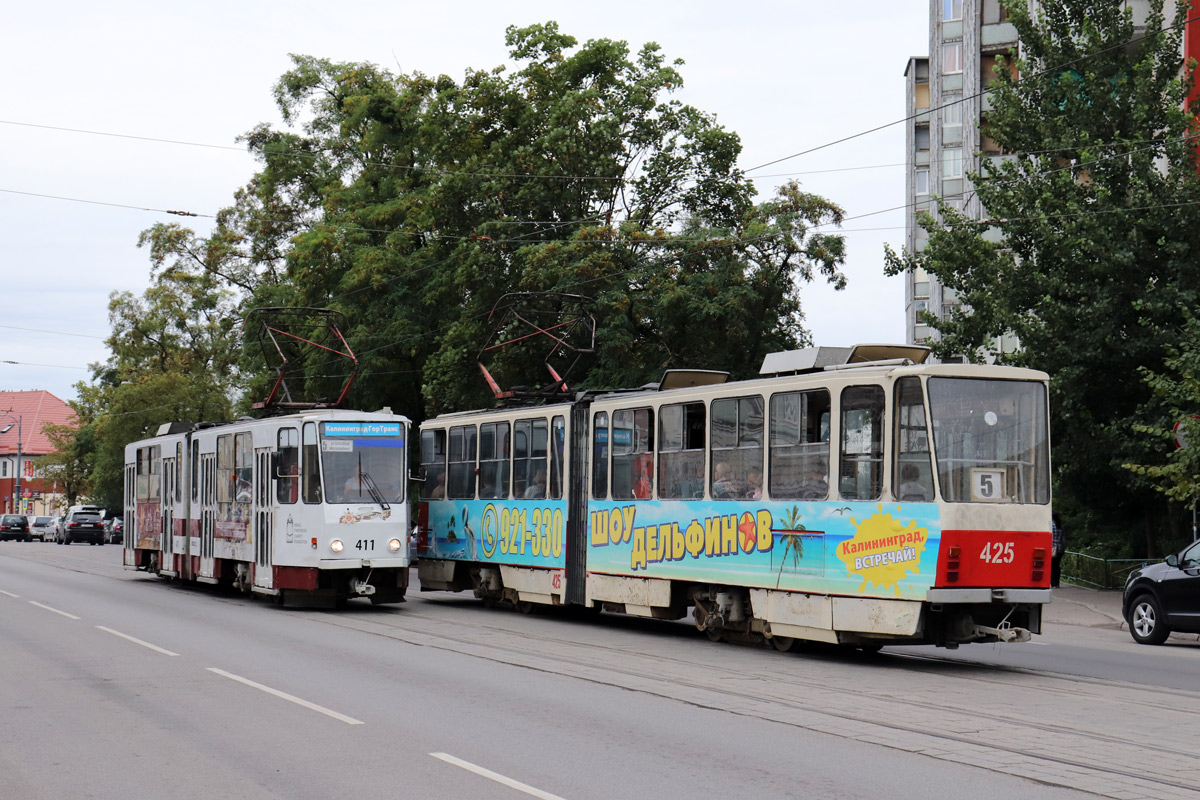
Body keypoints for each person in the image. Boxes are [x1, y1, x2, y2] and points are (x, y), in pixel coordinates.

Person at [1051, 513, 1065, 587]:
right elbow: (1063, 539)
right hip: (1059, 548)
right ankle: (1057, 583)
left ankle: (1053, 583)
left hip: (1052, 549)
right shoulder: (1060, 527)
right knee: (1057, 566)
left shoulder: (1050, 526)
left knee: (1052, 566)